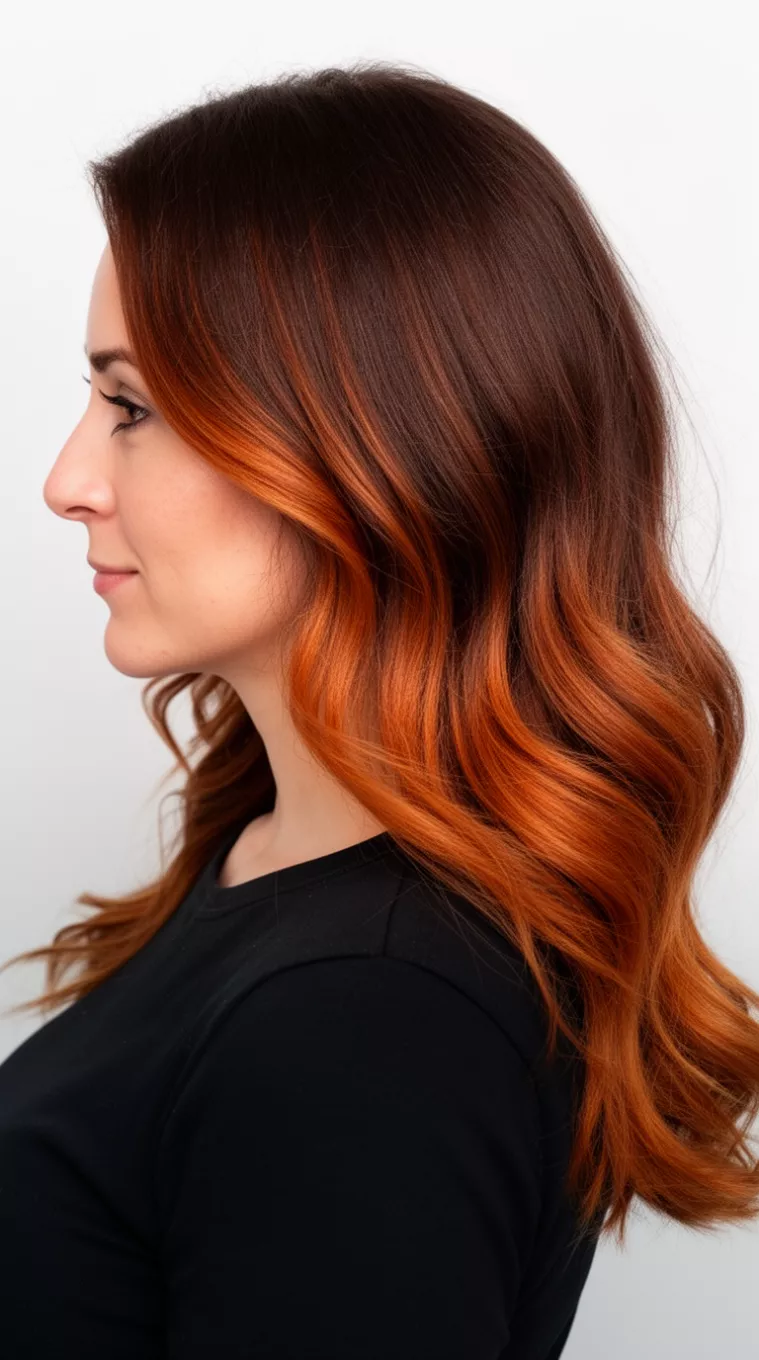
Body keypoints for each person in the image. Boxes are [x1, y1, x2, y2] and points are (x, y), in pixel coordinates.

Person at [1, 61, 758, 1359]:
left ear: (373, 448)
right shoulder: (277, 859)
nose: (68, 480)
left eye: (131, 406)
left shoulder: (366, 1017)